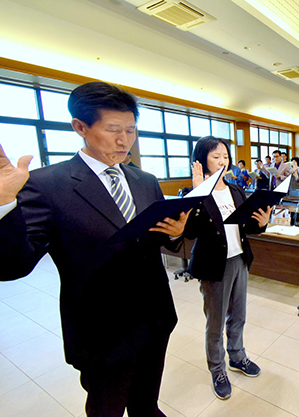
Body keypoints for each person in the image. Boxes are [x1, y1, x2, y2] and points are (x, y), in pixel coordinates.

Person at [0, 81, 190, 416]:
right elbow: (13, 265)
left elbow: (150, 239)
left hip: (155, 317)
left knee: (147, 404)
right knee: (107, 409)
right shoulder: (46, 184)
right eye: (113, 129)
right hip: (102, 331)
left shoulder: (145, 180)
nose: (124, 140)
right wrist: (4, 204)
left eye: (130, 130)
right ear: (80, 127)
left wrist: (175, 234)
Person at [185, 137, 270, 400]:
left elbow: (246, 225)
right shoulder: (193, 193)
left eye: (225, 156)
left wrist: (262, 223)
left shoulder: (236, 190)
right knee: (215, 322)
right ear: (201, 161)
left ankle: (237, 356)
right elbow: (189, 232)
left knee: (238, 315)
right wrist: (198, 193)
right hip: (213, 265)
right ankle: (217, 370)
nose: (223, 161)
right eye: (216, 157)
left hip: (240, 260)